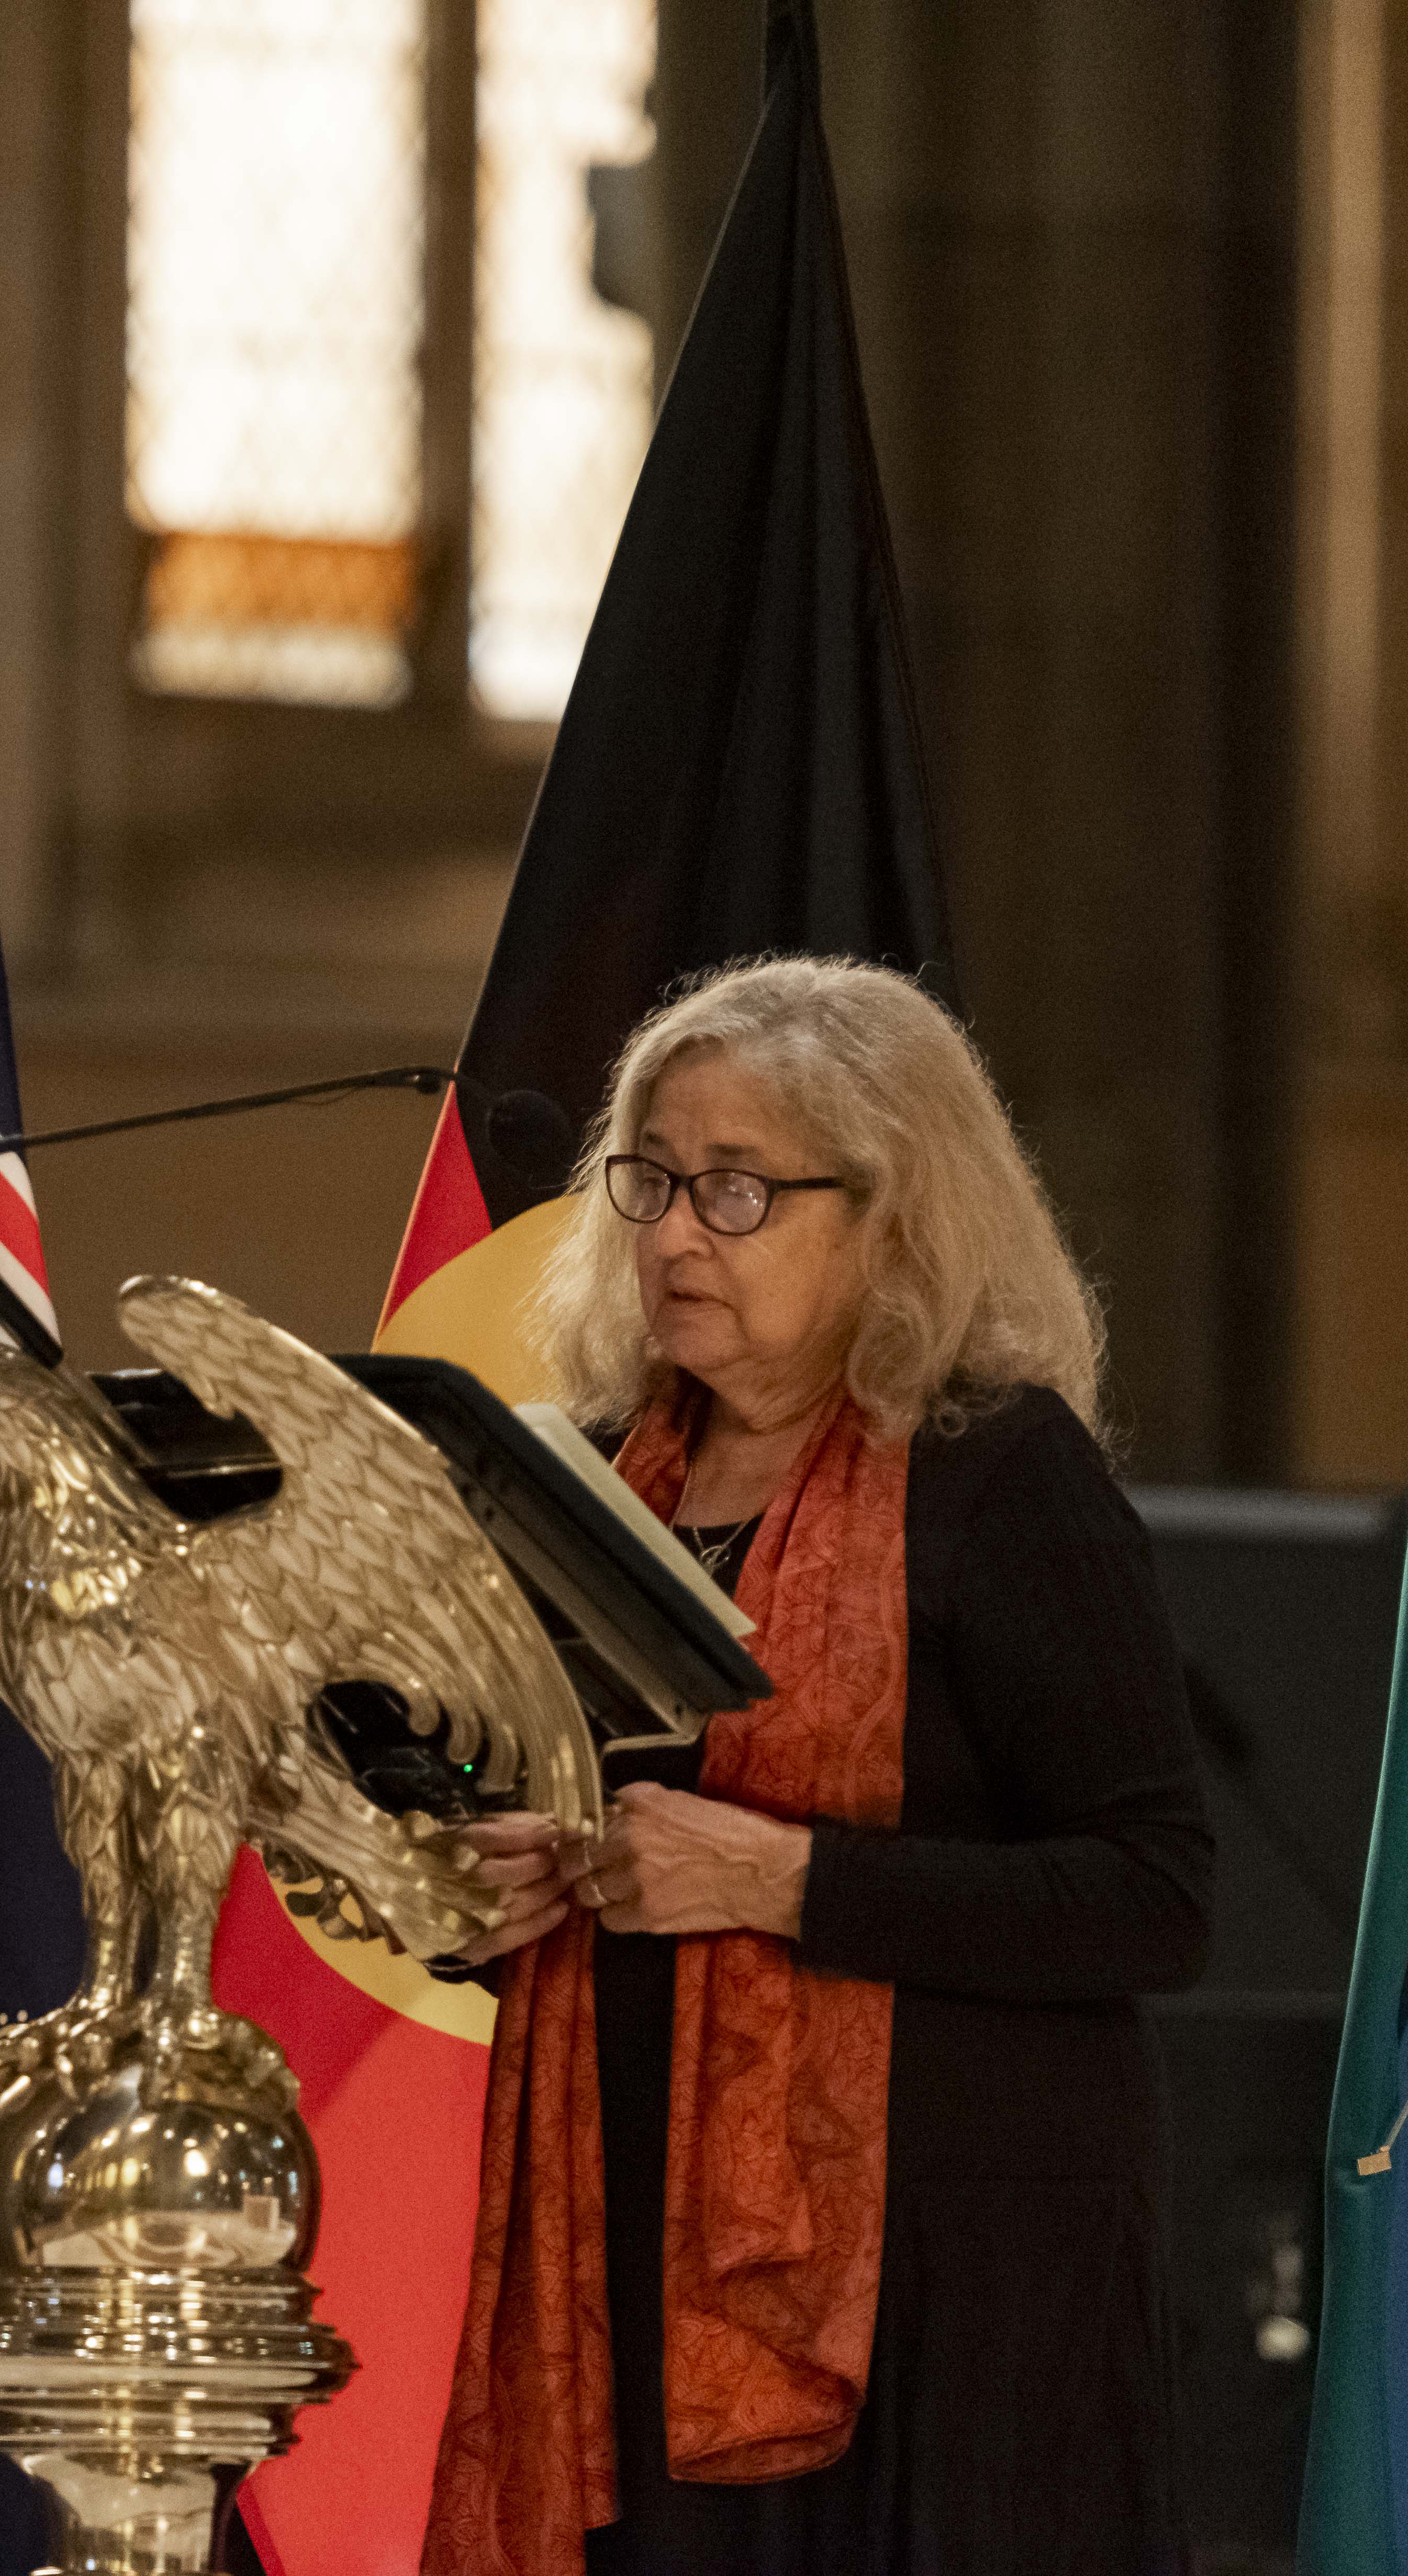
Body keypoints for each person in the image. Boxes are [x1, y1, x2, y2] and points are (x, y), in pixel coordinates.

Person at [421, 956, 1213, 2576]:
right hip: (620, 2261)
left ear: (892, 1219)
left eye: (736, 1190)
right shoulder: (583, 1479)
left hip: (947, 2287)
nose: (671, 1237)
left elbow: (1154, 1897)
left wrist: (782, 1879)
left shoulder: (1000, 1475)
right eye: (649, 1182)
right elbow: (529, 1837)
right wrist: (481, 1888)